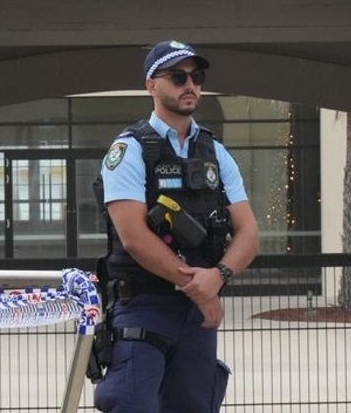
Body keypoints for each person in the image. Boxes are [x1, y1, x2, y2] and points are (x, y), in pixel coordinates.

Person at [93, 39, 260, 413]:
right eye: (178, 77)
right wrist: (202, 291)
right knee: (131, 405)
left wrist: (218, 276)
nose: (191, 85)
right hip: (143, 304)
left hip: (195, 316)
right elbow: (134, 238)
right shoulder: (130, 150)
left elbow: (249, 233)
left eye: (196, 77)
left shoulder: (216, 152)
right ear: (151, 85)